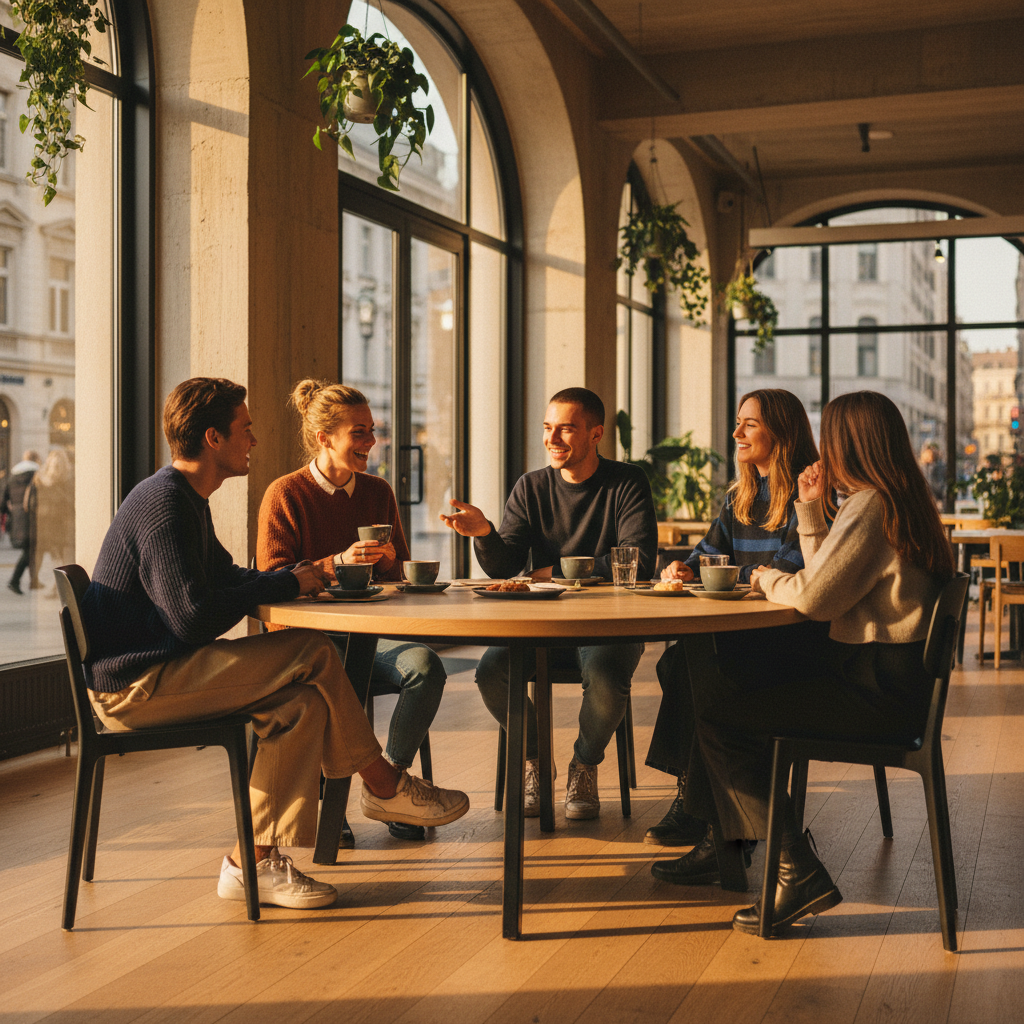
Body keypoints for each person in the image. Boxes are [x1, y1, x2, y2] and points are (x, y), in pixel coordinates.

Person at [81, 377, 468, 911]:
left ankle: (250, 863)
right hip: (135, 685)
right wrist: (291, 580)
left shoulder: (186, 500)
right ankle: (383, 784)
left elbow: (231, 576)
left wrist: (297, 575)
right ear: (213, 439)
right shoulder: (164, 505)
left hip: (167, 669)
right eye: (245, 430)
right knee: (313, 650)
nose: (254, 441)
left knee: (303, 705)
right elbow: (192, 617)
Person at [652, 391, 954, 936]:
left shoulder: (870, 506)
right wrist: (812, 513)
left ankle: (794, 864)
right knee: (713, 689)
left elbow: (814, 598)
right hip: (891, 682)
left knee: (722, 717)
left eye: (832, 436)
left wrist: (763, 577)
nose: (825, 449)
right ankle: (745, 849)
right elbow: (828, 580)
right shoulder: (894, 499)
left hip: (873, 690)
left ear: (852, 442)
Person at [440, 387, 658, 820]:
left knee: (606, 675)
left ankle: (584, 764)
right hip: (541, 627)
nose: (552, 438)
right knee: (490, 672)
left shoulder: (627, 482)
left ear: (596, 434)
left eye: (566, 429)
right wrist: (485, 533)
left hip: (609, 626)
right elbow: (505, 568)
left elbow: (637, 560)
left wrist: (551, 573)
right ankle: (537, 760)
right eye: (547, 428)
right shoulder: (531, 487)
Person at [257, 379, 450, 842]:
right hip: (306, 642)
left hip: (370, 633)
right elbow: (273, 581)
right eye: (359, 432)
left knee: (426, 666)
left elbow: (401, 574)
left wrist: (390, 564)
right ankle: (332, 801)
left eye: (372, 430)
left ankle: (391, 789)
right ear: (325, 437)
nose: (371, 442)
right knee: (334, 676)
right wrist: (337, 563)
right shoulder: (285, 494)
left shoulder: (377, 492)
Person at [644, 389, 826, 849]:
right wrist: (684, 567)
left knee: (697, 669)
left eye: (749, 424)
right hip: (744, 634)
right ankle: (699, 806)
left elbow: (788, 569)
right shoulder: (739, 496)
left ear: (780, 433)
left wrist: (730, 572)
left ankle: (698, 811)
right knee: (683, 662)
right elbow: (708, 553)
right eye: (738, 422)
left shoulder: (810, 492)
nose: (736, 433)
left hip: (790, 641)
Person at [30, 447, 75, 591]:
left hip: (48, 523)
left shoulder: (40, 479)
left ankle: (57, 587)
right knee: (60, 557)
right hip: (57, 524)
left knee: (57, 557)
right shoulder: (67, 479)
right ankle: (58, 587)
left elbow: (31, 503)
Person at [2, 449, 40, 594]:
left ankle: (32, 581)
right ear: (35, 459)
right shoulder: (37, 476)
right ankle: (15, 580)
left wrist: (11, 512)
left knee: (30, 550)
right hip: (34, 518)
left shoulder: (12, 477)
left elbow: (3, 501)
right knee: (30, 550)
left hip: (18, 519)